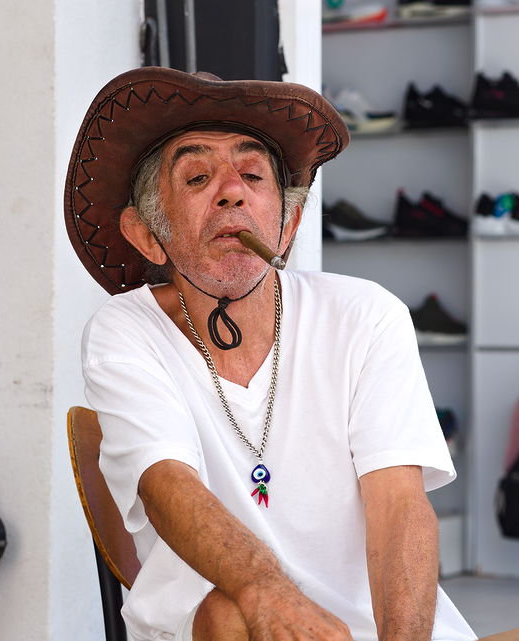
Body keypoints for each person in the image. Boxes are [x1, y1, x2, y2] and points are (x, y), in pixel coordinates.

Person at [65, 66, 477, 641]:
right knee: (229, 614)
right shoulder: (126, 332)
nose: (232, 190)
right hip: (218, 622)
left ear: (288, 226)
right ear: (147, 236)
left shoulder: (366, 316)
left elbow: (398, 505)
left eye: (253, 174)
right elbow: (166, 487)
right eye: (197, 177)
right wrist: (270, 594)